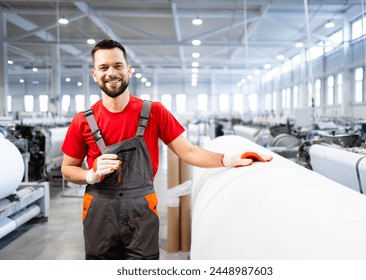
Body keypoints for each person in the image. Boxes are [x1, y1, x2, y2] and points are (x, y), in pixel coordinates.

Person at [61, 39, 272, 260]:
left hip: (141, 210)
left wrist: (229, 159)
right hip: (99, 210)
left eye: (118, 65)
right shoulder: (82, 121)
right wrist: (90, 175)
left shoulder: (154, 112)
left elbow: (188, 152)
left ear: (129, 70)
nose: (111, 72)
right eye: (103, 67)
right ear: (95, 74)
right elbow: (68, 169)